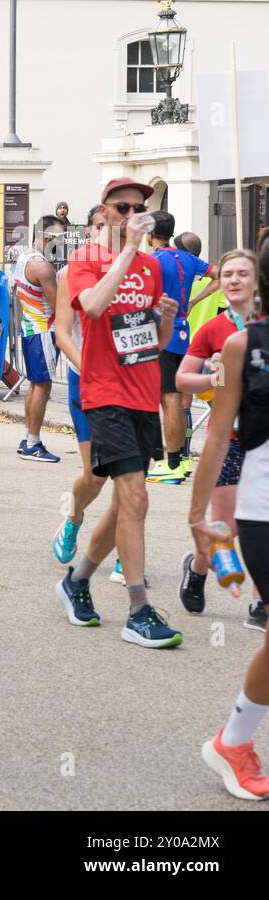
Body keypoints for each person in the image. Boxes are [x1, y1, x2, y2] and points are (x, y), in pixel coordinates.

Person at [56, 177, 181, 648]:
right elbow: (92, 306)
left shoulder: (151, 267)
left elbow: (154, 341)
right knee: (136, 498)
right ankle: (138, 609)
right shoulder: (85, 260)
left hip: (142, 391)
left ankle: (77, 580)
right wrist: (125, 252)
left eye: (139, 207)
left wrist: (164, 319)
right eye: (121, 207)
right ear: (105, 212)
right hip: (104, 391)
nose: (131, 214)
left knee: (125, 501)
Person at [190, 239, 269, 800]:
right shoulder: (241, 342)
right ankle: (233, 742)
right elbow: (217, 433)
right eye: (229, 273)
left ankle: (234, 740)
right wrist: (198, 515)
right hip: (262, 502)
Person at [176, 249, 261, 627]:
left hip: (262, 439)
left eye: (243, 273)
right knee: (223, 530)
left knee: (263, 525)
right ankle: (197, 568)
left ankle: (261, 602)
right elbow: (182, 379)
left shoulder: (265, 327)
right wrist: (215, 378)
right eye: (228, 274)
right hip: (225, 439)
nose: (235, 280)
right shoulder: (212, 329)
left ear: (257, 281)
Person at [51, 205, 109, 565]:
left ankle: (126, 554)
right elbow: (62, 332)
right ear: (89, 232)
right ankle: (73, 518)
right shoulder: (72, 272)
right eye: (101, 226)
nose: (108, 233)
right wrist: (89, 368)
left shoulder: (141, 271)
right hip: (87, 379)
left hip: (129, 383)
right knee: (95, 475)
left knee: (130, 478)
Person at [147, 211, 214, 484]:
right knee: (175, 397)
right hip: (183, 331)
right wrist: (194, 300)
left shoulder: (152, 260)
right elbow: (219, 274)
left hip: (161, 331)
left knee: (169, 396)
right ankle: (176, 459)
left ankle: (172, 463)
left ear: (150, 234)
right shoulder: (187, 258)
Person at [13, 215, 64, 462]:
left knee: (35, 385)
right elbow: (57, 306)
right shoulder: (42, 265)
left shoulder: (24, 258)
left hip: (30, 328)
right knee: (42, 386)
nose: (62, 244)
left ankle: (28, 438)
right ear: (46, 237)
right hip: (43, 329)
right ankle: (33, 442)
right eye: (59, 238)